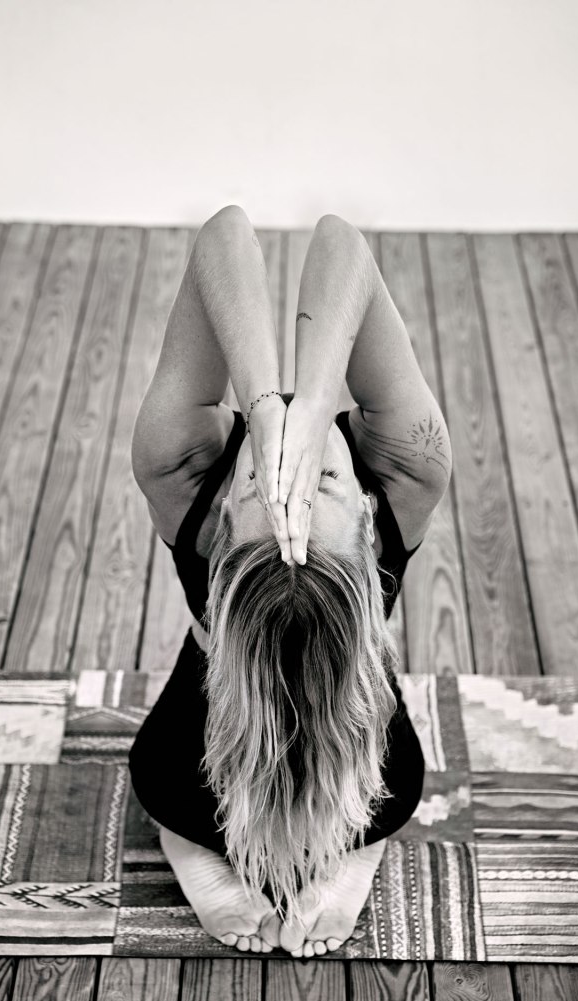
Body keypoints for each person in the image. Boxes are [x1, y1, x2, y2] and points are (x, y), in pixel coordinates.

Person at [128, 206, 452, 958]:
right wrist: (302, 409)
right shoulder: (404, 475)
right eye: (319, 489)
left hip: (328, 721)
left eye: (284, 491)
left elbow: (228, 235)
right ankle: (276, 844)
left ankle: (336, 845)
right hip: (230, 733)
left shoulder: (182, 475)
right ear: (372, 524)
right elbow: (334, 243)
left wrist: (277, 411)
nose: (297, 480)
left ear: (218, 533)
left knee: (344, 783)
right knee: (354, 786)